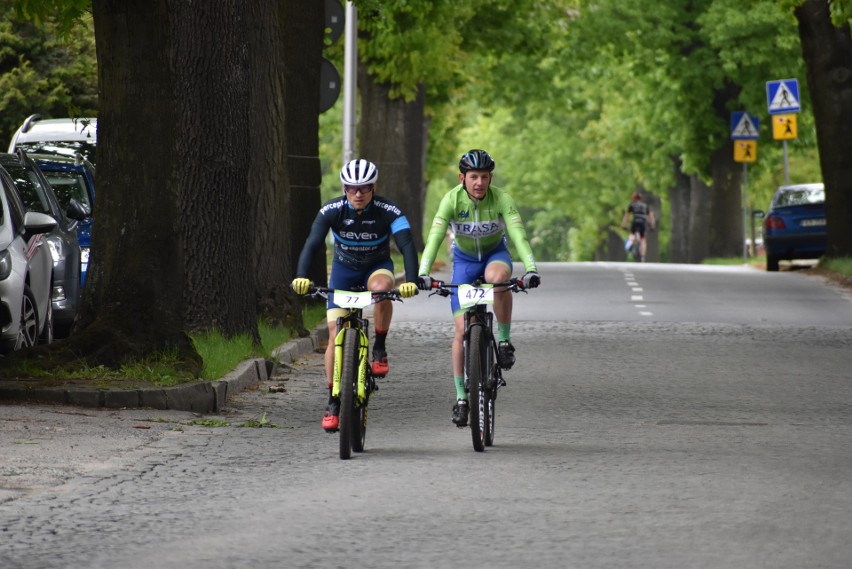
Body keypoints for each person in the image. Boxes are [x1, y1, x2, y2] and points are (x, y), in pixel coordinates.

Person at [291, 159, 418, 431]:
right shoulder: (331, 210)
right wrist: (301, 276)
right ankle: (333, 400)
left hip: (376, 268)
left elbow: (407, 245)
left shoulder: (389, 210)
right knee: (334, 333)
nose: (358, 194)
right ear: (344, 188)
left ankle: (380, 348)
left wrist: (413, 280)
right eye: (351, 188)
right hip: (344, 272)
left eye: (364, 188)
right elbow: (312, 243)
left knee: (382, 290)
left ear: (374, 187)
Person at [417, 149, 540, 427]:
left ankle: (505, 340)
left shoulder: (501, 199)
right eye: (473, 176)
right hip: (464, 262)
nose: (479, 183)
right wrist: (423, 273)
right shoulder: (451, 200)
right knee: (461, 331)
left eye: (484, 177)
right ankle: (461, 398)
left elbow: (518, 235)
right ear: (462, 177)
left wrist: (531, 269)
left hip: (495, 255)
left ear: (490, 178)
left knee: (498, 280)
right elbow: (435, 236)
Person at [621, 191, 656, 261]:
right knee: (643, 239)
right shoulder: (645, 206)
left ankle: (631, 242)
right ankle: (643, 256)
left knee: (632, 234)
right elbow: (651, 216)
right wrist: (652, 225)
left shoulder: (632, 205)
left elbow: (626, 216)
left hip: (635, 222)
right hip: (643, 223)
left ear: (633, 199)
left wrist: (623, 225)